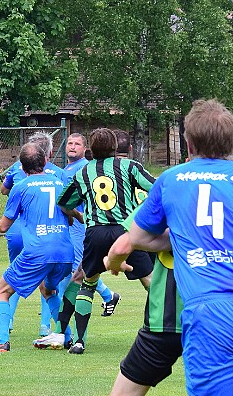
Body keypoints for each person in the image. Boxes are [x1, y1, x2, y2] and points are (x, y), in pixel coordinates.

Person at [114, 99, 233, 396]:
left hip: (213, 313)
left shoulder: (172, 180)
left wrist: (116, 258)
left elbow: (135, 237)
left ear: (188, 144)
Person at [35, 128, 156, 354]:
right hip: (125, 231)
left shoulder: (83, 172)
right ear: (114, 147)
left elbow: (64, 203)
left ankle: (77, 340)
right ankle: (169, 327)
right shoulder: (129, 166)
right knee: (150, 280)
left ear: (91, 149)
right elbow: (156, 188)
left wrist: (79, 216)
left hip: (96, 232)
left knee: (85, 281)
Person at [0, 142, 74, 352]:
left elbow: (5, 225)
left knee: (2, 290)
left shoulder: (21, 187)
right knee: (48, 289)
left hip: (39, 250)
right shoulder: (61, 183)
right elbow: (70, 219)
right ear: (45, 161)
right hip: (64, 251)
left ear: (22, 168)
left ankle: (2, 340)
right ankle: (67, 337)